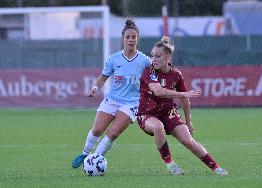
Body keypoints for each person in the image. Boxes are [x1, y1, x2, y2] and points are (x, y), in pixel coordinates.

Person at [137, 36, 228, 176]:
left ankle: (216, 168)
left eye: (158, 56)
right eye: (152, 55)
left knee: (188, 141)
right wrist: (183, 93)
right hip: (148, 113)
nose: (153, 59)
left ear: (168, 56)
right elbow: (159, 91)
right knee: (158, 127)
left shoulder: (176, 75)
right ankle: (170, 164)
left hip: (168, 112)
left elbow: (185, 100)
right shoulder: (149, 71)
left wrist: (188, 121)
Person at [72, 19, 151, 169]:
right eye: (128, 37)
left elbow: (152, 80)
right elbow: (103, 78)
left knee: (114, 133)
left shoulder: (145, 61)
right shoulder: (113, 59)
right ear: (123, 39)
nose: (131, 40)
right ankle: (85, 153)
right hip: (112, 99)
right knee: (97, 130)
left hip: (132, 103)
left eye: (134, 37)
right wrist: (95, 88)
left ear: (137, 39)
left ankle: (95, 160)